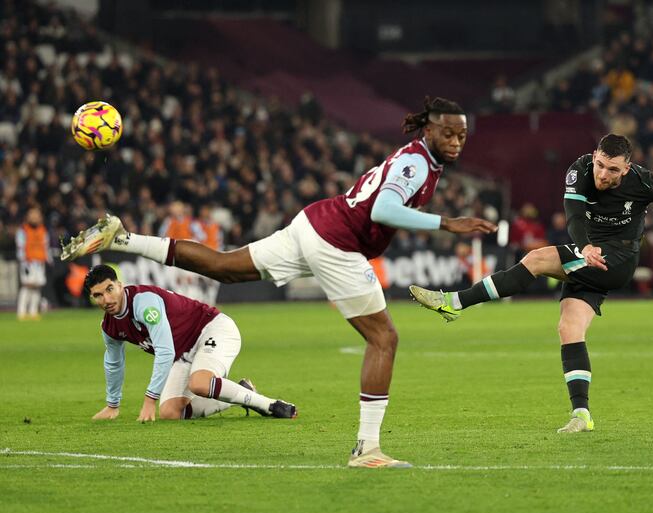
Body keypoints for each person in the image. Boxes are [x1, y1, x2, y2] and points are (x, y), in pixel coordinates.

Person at [60, 97, 497, 468]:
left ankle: (124, 238)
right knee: (384, 338)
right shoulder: (417, 163)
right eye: (448, 133)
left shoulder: (417, 157)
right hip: (335, 241)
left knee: (224, 266)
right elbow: (383, 210)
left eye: (462, 135)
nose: (456, 141)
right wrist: (447, 223)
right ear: (429, 129)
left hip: (313, 222)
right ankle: (368, 448)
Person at [410, 134, 653, 434]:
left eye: (612, 169)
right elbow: (574, 217)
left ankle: (454, 302)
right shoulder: (579, 171)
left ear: (626, 169)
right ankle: (581, 414)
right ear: (593, 156)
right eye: (600, 164)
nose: (603, 174)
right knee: (569, 329)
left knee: (537, 260)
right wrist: (586, 247)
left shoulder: (643, 181)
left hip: (618, 259)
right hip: (590, 256)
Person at [85, 264, 296, 422]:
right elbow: (114, 364)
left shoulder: (143, 303)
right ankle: (243, 391)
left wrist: (149, 401)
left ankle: (270, 405)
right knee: (170, 412)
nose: (106, 299)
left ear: (120, 285)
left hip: (212, 329)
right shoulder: (110, 327)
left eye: (110, 289)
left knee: (200, 383)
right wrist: (113, 405)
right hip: (183, 353)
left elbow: (165, 352)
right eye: (98, 295)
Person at [16, 206, 51, 320]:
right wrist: (23, 259)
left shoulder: (43, 230)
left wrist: (47, 259)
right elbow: (20, 246)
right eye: (32, 215)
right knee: (27, 285)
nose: (35, 217)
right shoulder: (23, 230)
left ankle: (33, 311)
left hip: (39, 262)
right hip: (28, 262)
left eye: (37, 215)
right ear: (28, 216)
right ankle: (21, 312)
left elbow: (45, 246)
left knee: (37, 286)